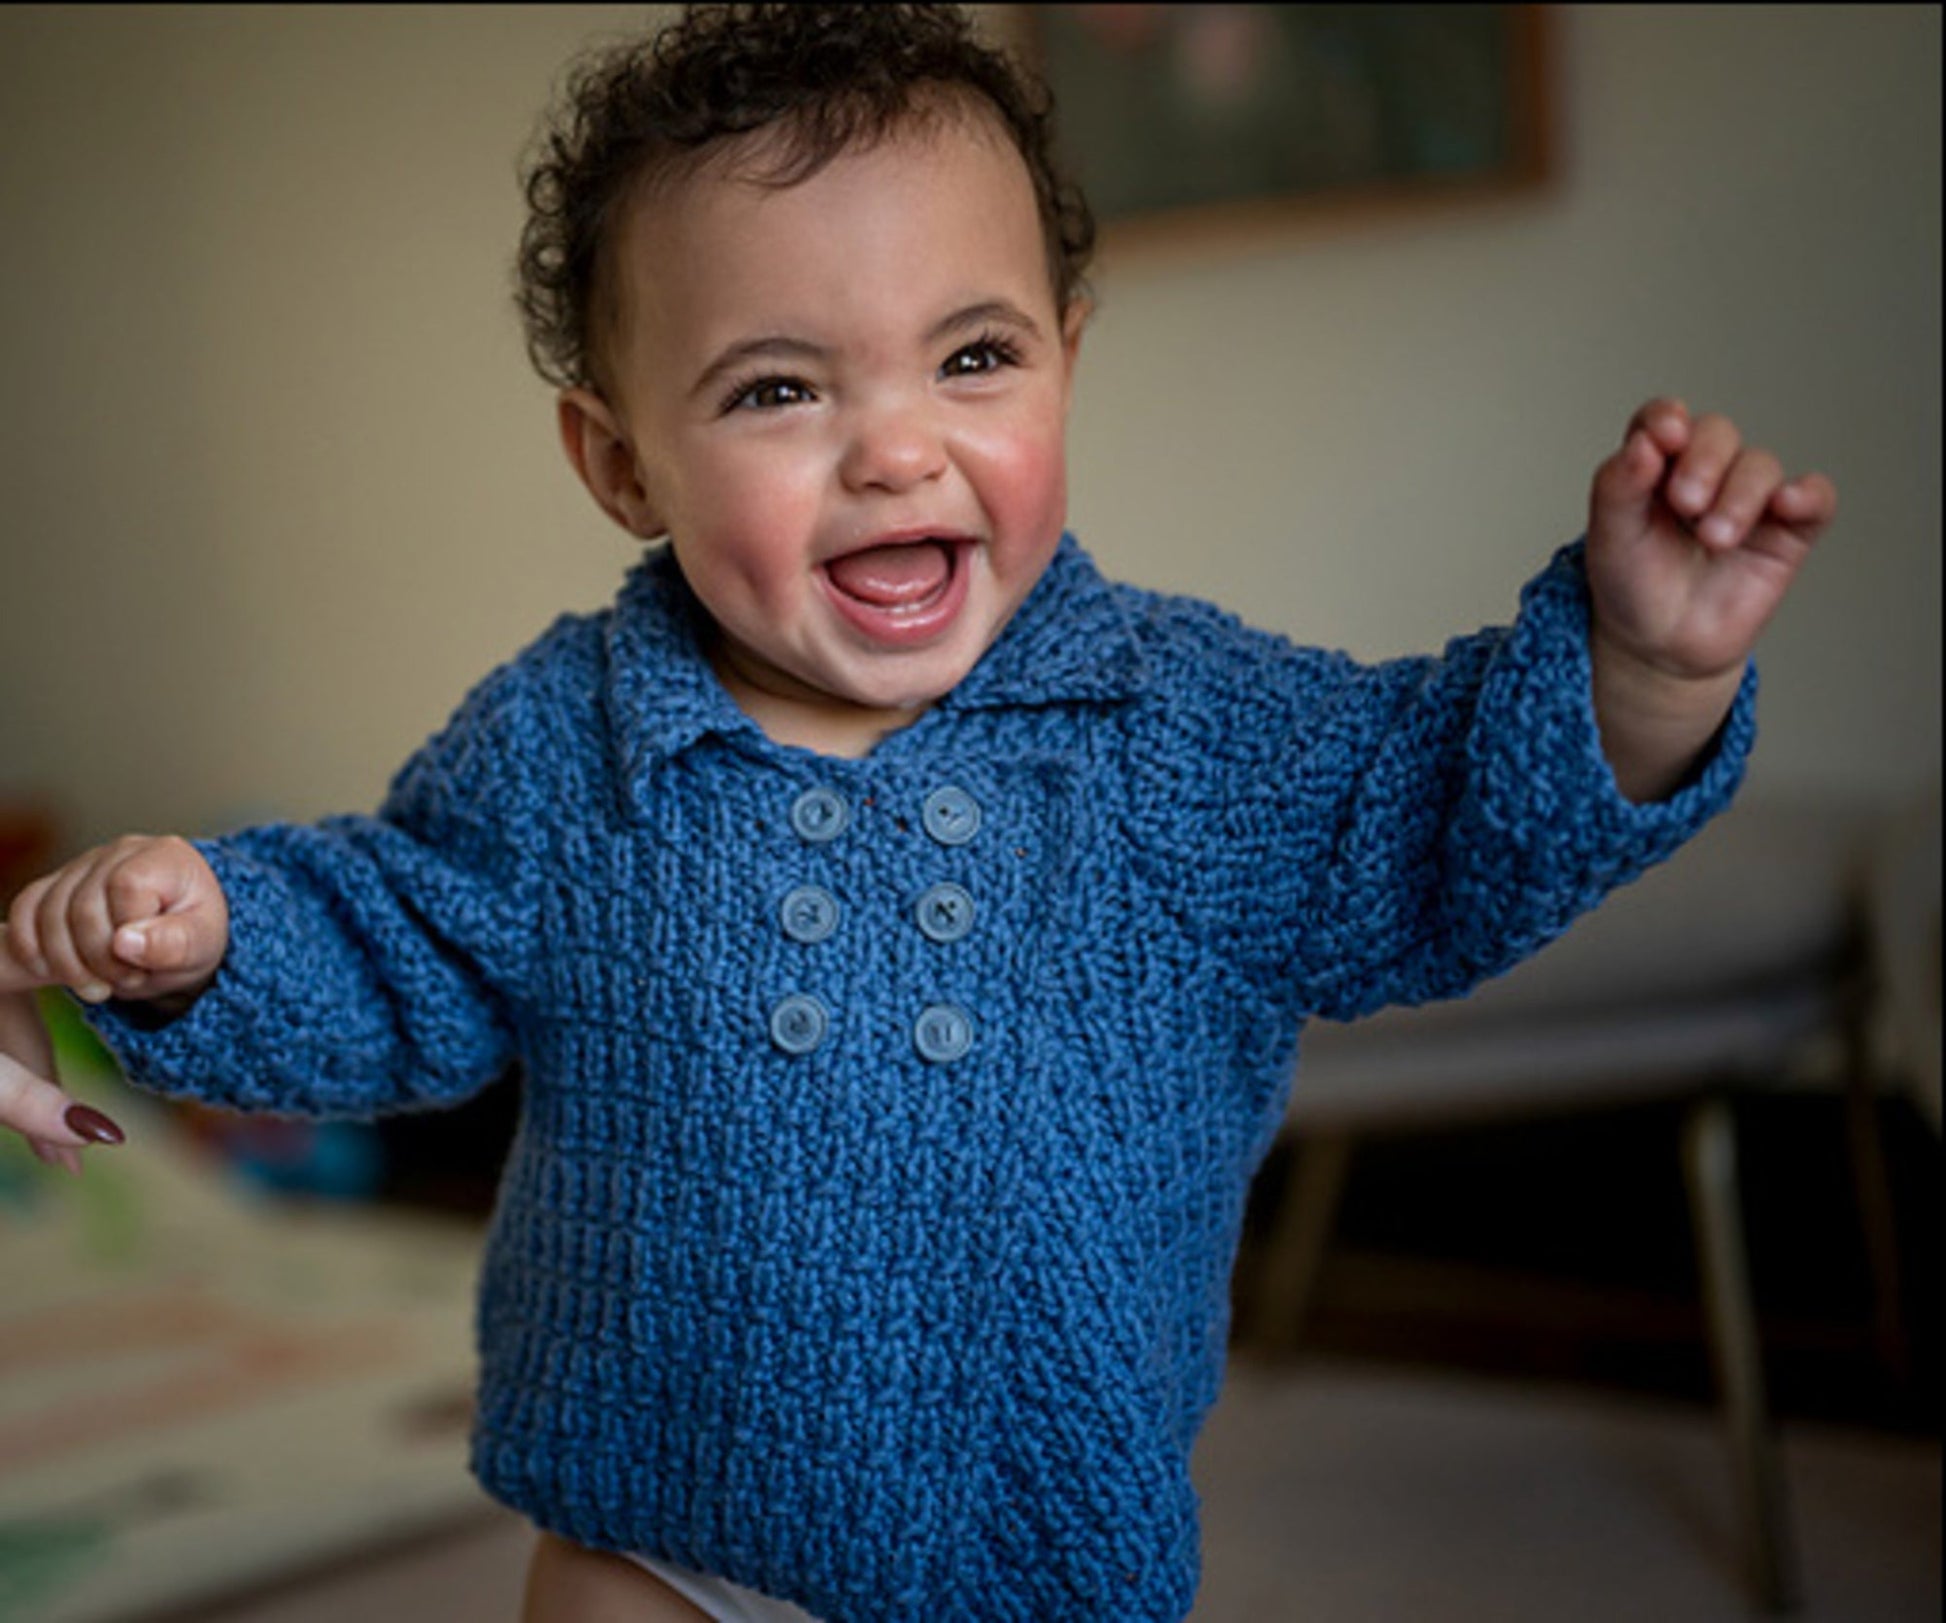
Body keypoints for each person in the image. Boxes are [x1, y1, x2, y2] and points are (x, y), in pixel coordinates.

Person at [0, 5, 1835, 1620]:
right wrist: (206, 931)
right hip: (649, 1519)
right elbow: (396, 936)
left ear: (1067, 354)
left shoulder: (1171, 728)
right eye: (778, 388)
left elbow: (1437, 810)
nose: (894, 447)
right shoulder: (569, 744)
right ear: (621, 458)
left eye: (972, 358)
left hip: (1028, 1545)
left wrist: (1644, 671)